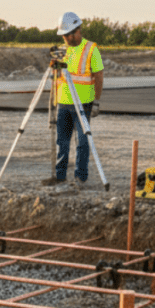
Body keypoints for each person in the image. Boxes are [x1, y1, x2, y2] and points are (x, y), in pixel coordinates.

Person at [44, 11, 103, 186]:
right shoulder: (62, 51)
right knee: (62, 142)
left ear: (77, 31)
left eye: (68, 35)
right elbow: (57, 77)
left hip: (83, 104)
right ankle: (60, 175)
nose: (66, 39)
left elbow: (99, 76)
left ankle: (80, 177)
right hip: (63, 102)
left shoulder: (91, 49)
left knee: (82, 142)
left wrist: (96, 101)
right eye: (64, 36)